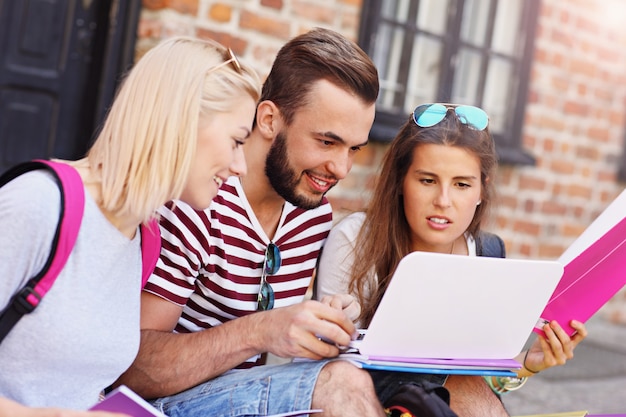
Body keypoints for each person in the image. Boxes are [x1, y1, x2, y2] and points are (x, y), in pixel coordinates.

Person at [114, 28, 392, 416]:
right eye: (327, 142)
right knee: (341, 385)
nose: (341, 169)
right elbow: (131, 368)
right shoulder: (199, 199)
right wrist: (264, 330)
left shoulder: (312, 213)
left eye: (353, 149)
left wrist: (323, 321)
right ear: (269, 119)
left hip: (243, 399)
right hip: (158, 405)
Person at [0, 36, 261, 416]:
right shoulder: (40, 203)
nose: (241, 167)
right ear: (181, 121)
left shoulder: (144, 237)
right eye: (237, 141)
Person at [315, 103, 588, 417]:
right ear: (400, 182)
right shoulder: (356, 240)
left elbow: (476, 376)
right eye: (427, 180)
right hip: (361, 395)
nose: (443, 201)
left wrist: (528, 363)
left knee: (467, 387)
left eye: (461, 184)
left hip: (445, 401)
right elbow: (331, 375)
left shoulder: (487, 253)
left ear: (481, 190)